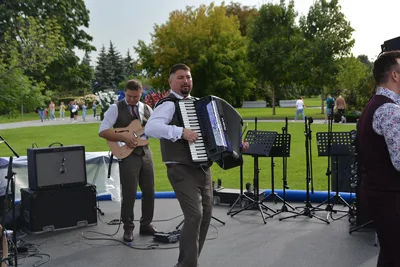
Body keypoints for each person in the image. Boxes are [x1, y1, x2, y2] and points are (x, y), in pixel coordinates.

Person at [145, 63, 249, 267]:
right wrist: (180, 132)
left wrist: (236, 145)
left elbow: (216, 135)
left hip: (203, 167)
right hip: (180, 168)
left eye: (188, 77)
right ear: (171, 81)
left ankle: (189, 262)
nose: (186, 81)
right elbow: (151, 128)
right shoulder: (168, 104)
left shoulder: (201, 105)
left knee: (206, 216)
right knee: (195, 215)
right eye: (181, 77)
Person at [98, 80, 157, 242]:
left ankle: (146, 224)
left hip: (146, 153)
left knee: (149, 192)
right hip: (127, 155)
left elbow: (152, 129)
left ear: (141, 93)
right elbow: (102, 131)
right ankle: (128, 228)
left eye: (136, 96)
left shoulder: (147, 109)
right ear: (124, 93)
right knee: (129, 193)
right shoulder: (115, 108)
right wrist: (123, 136)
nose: (133, 99)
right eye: (130, 96)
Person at [356, 50, 400, 267]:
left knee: (390, 254)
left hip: (377, 193)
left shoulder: (374, 105)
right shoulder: (390, 110)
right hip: (390, 197)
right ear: (395, 75)